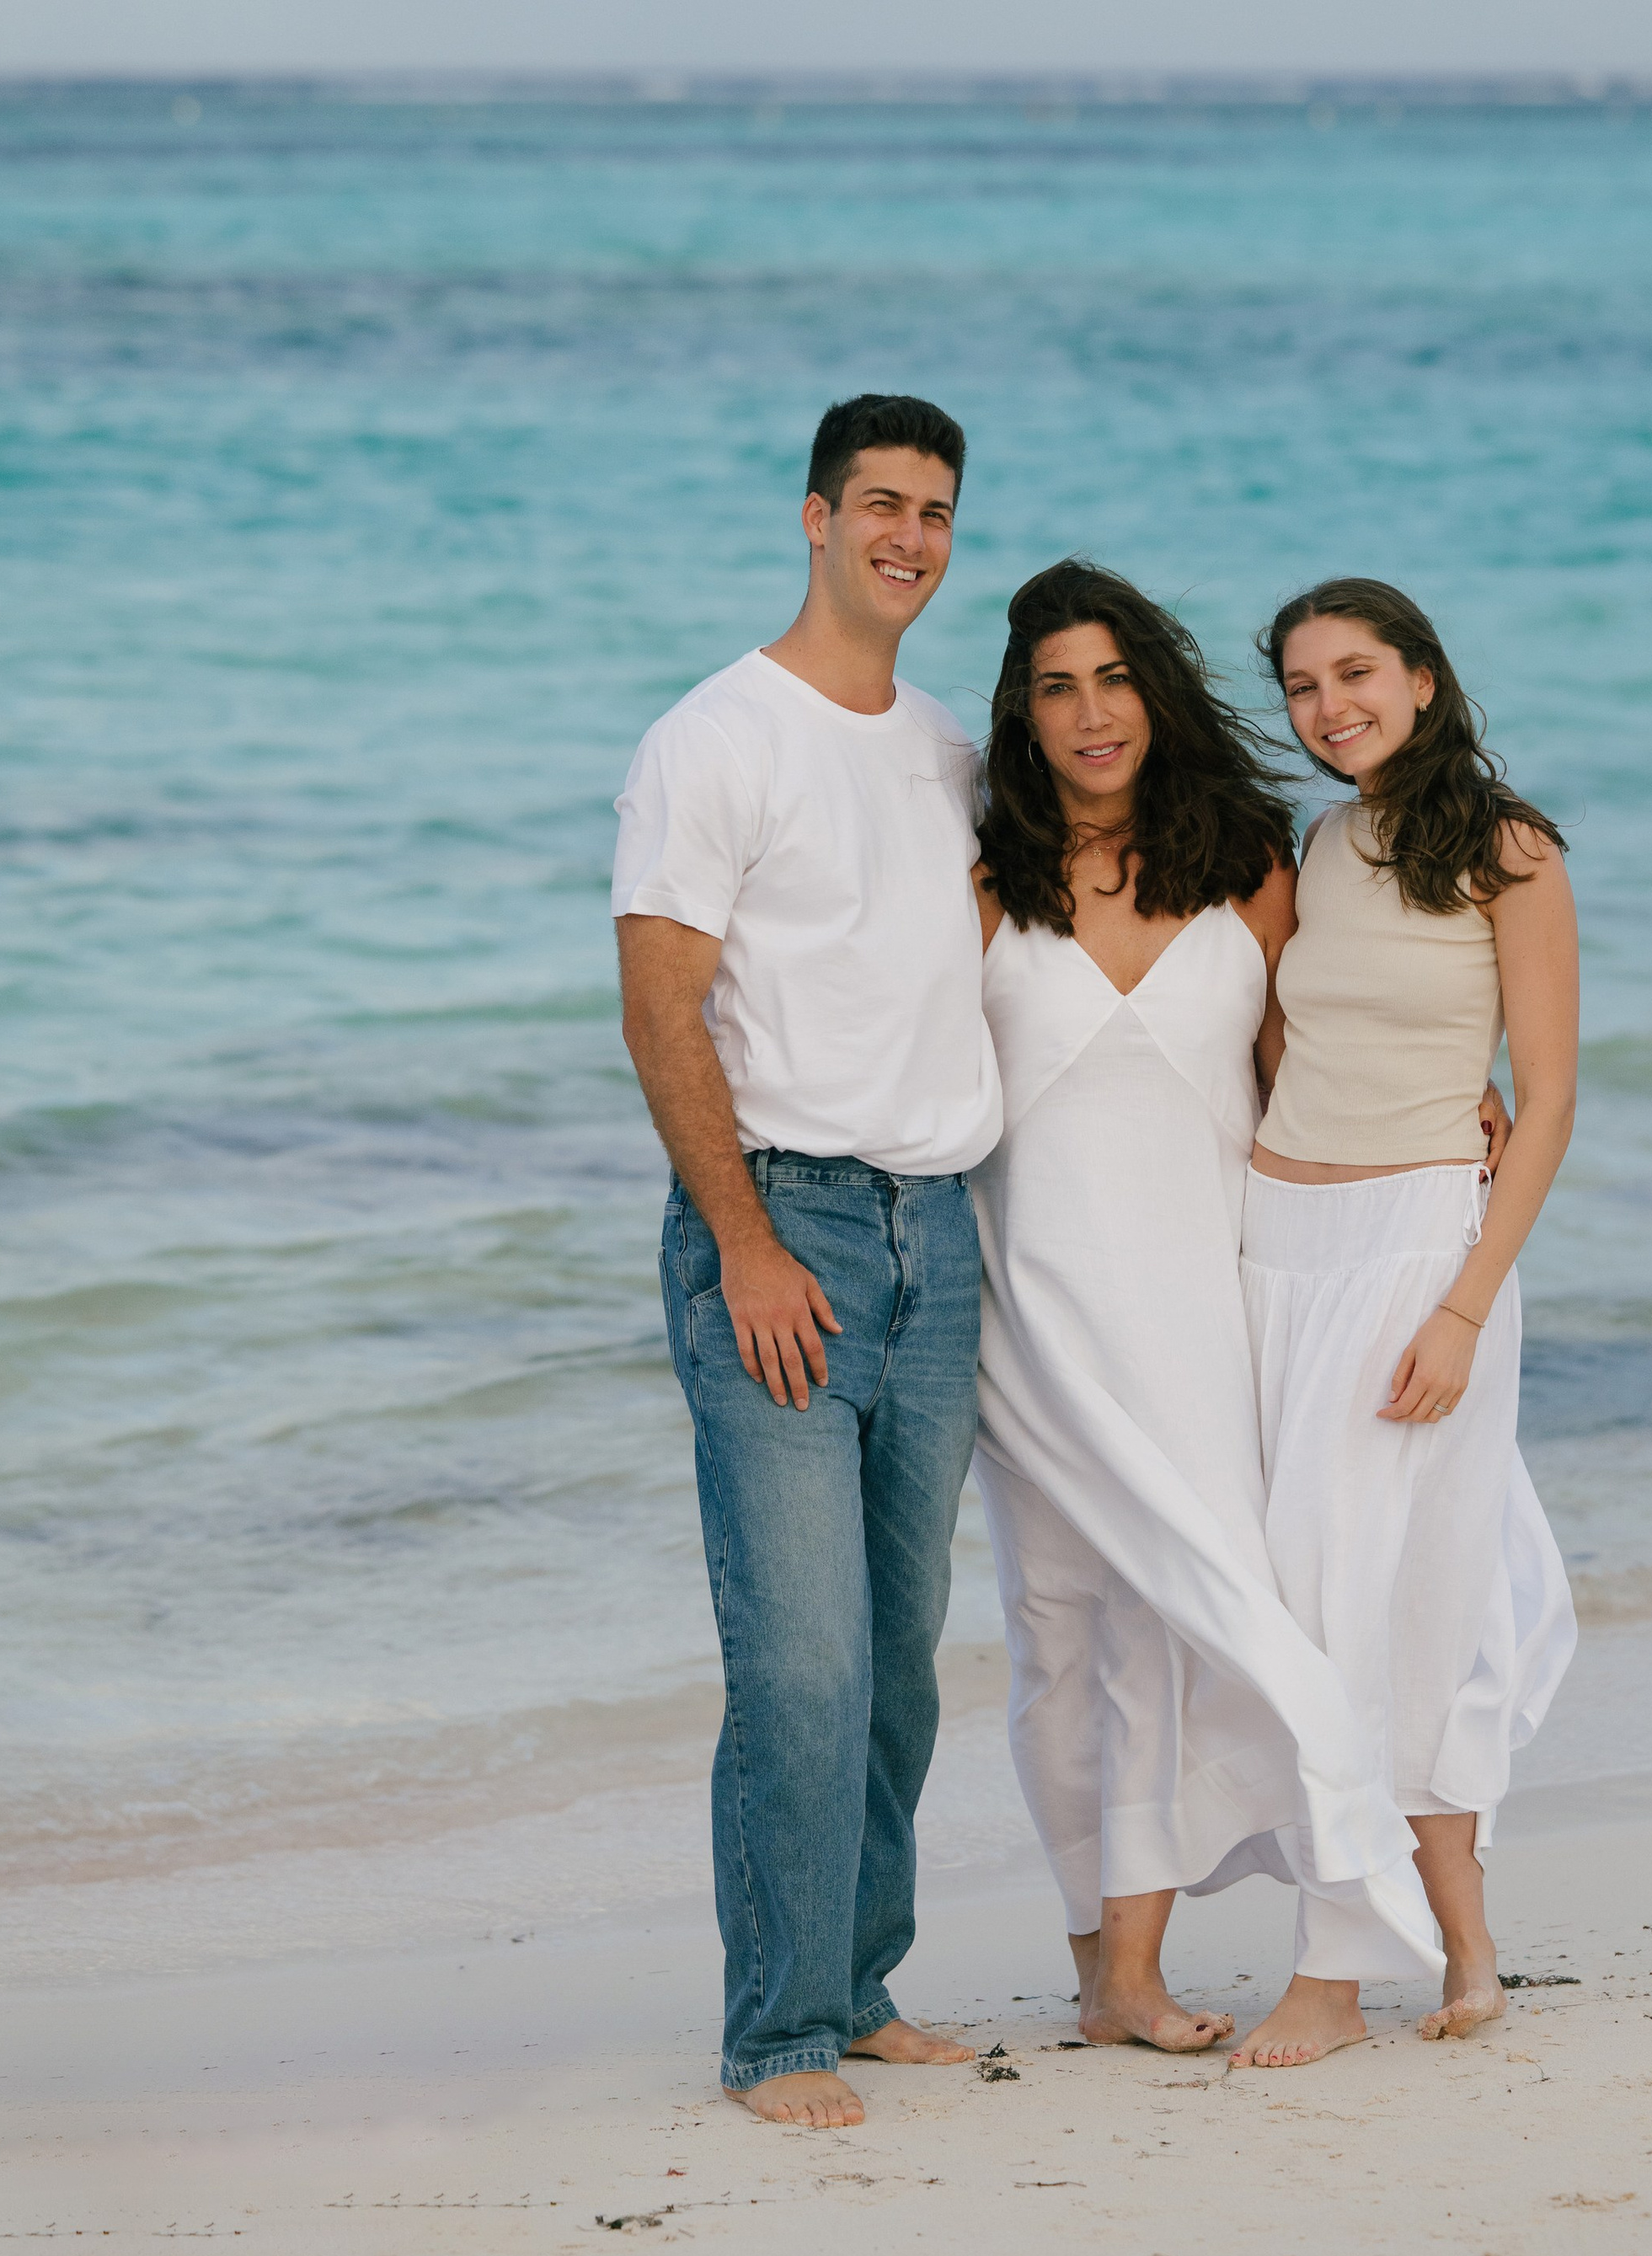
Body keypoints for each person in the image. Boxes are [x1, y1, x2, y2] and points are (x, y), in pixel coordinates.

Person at [970, 560, 1452, 2055]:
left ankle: (1169, 1954)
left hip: (1209, 1306)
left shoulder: (1249, 861)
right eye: (1058, 687)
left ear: (1159, 692)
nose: (1091, 713)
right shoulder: (982, 876)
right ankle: (1101, 1966)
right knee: (1056, 1630)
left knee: (1182, 1623)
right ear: (1023, 713)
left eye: (1115, 678)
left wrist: (1465, 1106)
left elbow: (1323, 1061)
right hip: (1030, 1311)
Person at [612, 393, 1001, 2129]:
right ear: (814, 517)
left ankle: (857, 1983)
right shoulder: (713, 737)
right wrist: (747, 1243)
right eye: (880, 504)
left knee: (897, 1661)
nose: (909, 537)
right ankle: (776, 2031)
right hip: (783, 1227)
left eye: (936, 512)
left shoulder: (945, 747)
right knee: (801, 1661)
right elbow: (660, 1006)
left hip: (939, 1232)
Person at [1231, 578, 1578, 2069]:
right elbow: (1281, 1033)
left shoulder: (1512, 849)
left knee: (1378, 1605)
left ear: (1423, 677)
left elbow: (1547, 1100)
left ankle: (1333, 1973)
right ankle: (1467, 1945)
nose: (1331, 707)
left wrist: (1461, 1304)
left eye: (1357, 672)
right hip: (1280, 1242)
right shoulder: (1319, 843)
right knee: (1350, 1596)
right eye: (1304, 685)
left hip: (1417, 1254)